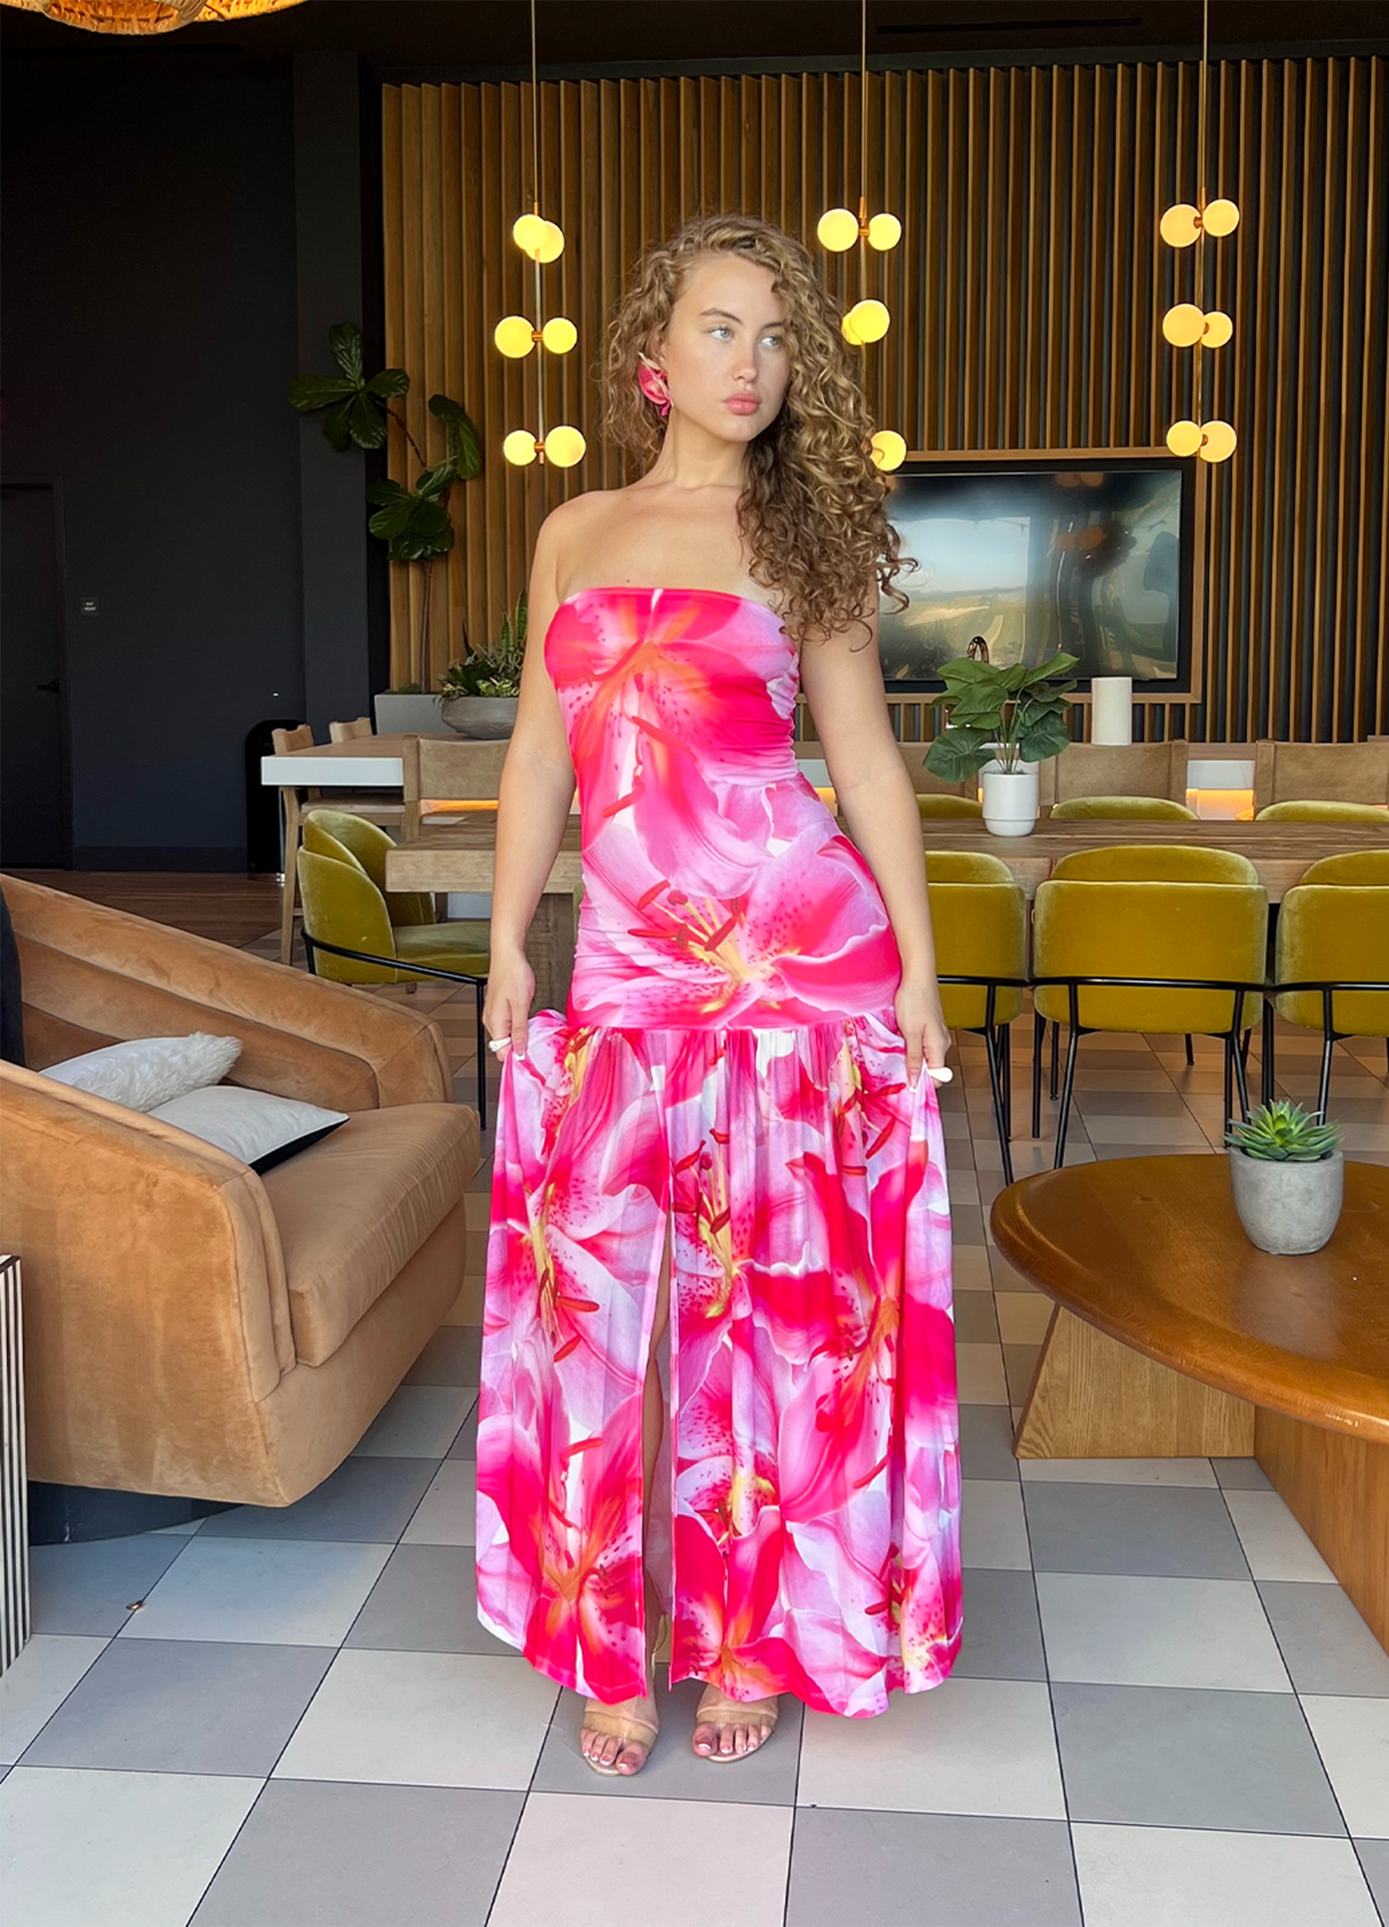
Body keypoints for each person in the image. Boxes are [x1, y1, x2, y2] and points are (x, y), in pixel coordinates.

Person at [476, 211, 962, 1777]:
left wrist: (925, 968)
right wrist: (506, 940)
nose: (748, 363)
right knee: (594, 1312)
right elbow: (543, 756)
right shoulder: (572, 530)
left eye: (775, 337)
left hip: (800, 962)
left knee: (771, 1313)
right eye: (720, 328)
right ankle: (605, 1634)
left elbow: (866, 764)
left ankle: (749, 1634)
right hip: (624, 964)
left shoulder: (799, 540)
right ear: (654, 350)